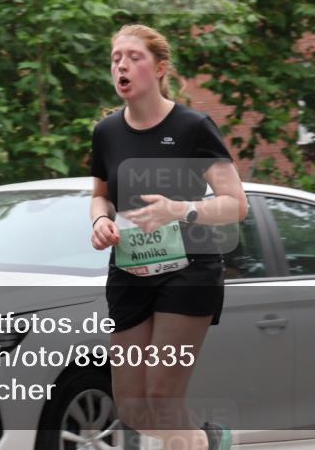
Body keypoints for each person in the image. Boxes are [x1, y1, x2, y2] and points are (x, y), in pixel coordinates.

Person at [89, 24, 248, 450]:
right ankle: (209, 441)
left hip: (189, 270)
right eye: (115, 57)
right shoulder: (106, 132)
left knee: (161, 396)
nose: (121, 64)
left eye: (133, 56)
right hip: (129, 271)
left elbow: (236, 204)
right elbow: (101, 197)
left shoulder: (193, 126)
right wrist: (100, 222)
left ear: (159, 68)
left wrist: (180, 210)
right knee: (131, 407)